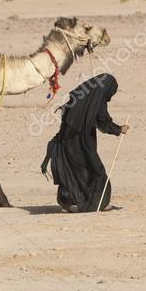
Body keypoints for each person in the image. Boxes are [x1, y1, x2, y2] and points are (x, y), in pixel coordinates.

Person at [41, 74, 129, 212]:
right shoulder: (97, 99)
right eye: (110, 93)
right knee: (96, 171)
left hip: (67, 142)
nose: (109, 97)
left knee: (75, 173)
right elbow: (103, 121)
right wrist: (119, 129)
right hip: (82, 144)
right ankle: (97, 204)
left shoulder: (80, 95)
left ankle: (70, 204)